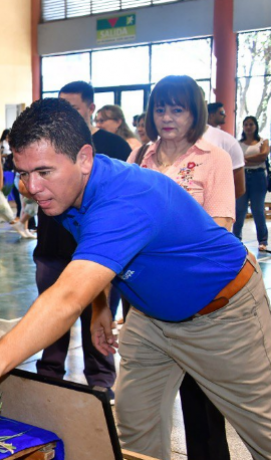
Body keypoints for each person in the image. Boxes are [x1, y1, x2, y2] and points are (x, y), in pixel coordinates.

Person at [0, 97, 271, 460]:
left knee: (263, 432)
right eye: (24, 173)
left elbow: (64, 299)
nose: (32, 187)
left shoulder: (126, 198)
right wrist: (99, 307)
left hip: (222, 315)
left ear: (85, 158)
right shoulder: (65, 192)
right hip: (150, 318)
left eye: (44, 171)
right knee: (134, 430)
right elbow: (93, 254)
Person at [132, 74, 236, 460]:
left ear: (195, 113)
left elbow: (219, 230)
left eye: (178, 108)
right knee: (142, 406)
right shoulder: (139, 158)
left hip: (195, 298)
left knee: (202, 406)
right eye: (160, 108)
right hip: (143, 295)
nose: (167, 116)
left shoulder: (215, 159)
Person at [34, 81, 129, 398]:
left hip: (99, 252)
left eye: (72, 108)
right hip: (52, 249)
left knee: (98, 315)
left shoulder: (114, 147)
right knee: (51, 316)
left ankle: (100, 380)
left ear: (90, 108)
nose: (63, 114)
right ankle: (49, 375)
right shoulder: (44, 143)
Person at [235, 116, 271, 251]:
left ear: (255, 126)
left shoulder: (263, 142)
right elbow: (235, 160)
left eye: (251, 124)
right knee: (239, 210)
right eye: (246, 125)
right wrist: (248, 160)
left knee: (258, 210)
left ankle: (263, 241)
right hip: (242, 176)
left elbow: (263, 156)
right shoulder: (238, 144)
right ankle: (236, 239)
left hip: (258, 177)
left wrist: (243, 159)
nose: (248, 127)